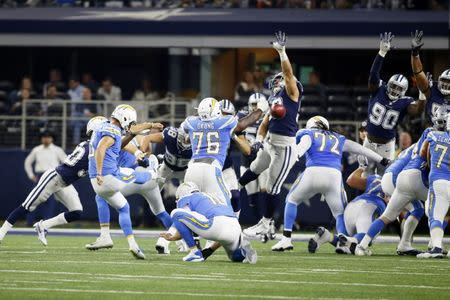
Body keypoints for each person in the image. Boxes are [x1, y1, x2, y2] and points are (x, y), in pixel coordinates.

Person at [271, 116, 388, 251]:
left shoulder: (307, 133)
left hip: (313, 171)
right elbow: (360, 149)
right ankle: (344, 243)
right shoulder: (338, 137)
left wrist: (295, 155)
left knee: (291, 200)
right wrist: (382, 159)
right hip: (334, 175)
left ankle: (286, 240)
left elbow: (302, 147)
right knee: (339, 213)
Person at [355, 108, 448, 256]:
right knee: (441, 207)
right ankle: (435, 243)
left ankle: (363, 245)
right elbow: (428, 159)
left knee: (391, 214)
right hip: (403, 176)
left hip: (400, 176)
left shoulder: (427, 136)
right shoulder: (434, 136)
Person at [0, 117, 105, 245]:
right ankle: (2, 232)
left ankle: (43, 226)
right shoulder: (92, 149)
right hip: (54, 177)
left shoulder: (91, 146)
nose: (107, 135)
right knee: (27, 206)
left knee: (76, 212)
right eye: (105, 131)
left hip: (65, 183)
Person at [239, 31, 303, 241]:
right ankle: (230, 190)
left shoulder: (292, 94)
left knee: (272, 188)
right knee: (254, 169)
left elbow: (287, 74)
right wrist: (258, 141)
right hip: (270, 143)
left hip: (285, 148)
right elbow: (264, 125)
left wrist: (282, 52)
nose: (276, 83)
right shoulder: (275, 100)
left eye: (279, 80)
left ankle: (266, 224)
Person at [88, 104, 162, 259]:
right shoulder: (112, 130)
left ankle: (133, 245)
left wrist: (133, 135)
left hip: (96, 183)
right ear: (124, 118)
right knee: (140, 175)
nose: (130, 126)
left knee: (123, 207)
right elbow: (102, 148)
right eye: (129, 122)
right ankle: (154, 170)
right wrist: (152, 125)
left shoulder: (104, 127)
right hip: (108, 176)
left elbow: (118, 144)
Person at [181, 97, 266, 206]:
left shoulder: (192, 121)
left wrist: (234, 136)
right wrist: (260, 110)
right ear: (217, 112)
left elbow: (247, 151)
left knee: (234, 197)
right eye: (223, 113)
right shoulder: (226, 123)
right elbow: (243, 123)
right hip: (212, 167)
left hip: (221, 167)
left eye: (228, 114)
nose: (225, 117)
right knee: (217, 202)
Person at [364, 32, 425, 175]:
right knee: (363, 176)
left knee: (385, 179)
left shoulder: (405, 102)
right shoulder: (379, 89)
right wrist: (381, 53)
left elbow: (417, 110)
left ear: (404, 91)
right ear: (388, 84)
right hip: (369, 142)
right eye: (394, 86)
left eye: (399, 88)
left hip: (387, 146)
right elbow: (373, 76)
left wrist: (422, 93)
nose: (395, 90)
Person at [160, 182, 257, 263]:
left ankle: (194, 252)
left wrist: (175, 236)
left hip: (216, 224)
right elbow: (223, 231)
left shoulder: (186, 198)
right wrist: (209, 250)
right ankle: (241, 253)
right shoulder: (210, 197)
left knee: (175, 213)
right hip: (235, 226)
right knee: (235, 257)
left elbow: (182, 220)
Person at [311, 167, 388, 255]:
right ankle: (350, 241)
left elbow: (351, 180)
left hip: (352, 206)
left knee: (345, 231)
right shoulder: (396, 182)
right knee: (368, 237)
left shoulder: (375, 179)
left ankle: (329, 237)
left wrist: (361, 168)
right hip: (370, 207)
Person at [417, 116, 450, 258]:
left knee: (435, 216)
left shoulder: (432, 134)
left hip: (438, 181)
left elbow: (423, 154)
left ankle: (436, 247)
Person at [23, 131, 67, 225]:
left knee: (50, 201)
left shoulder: (57, 150)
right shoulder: (37, 150)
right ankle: (29, 222)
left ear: (52, 139)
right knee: (33, 199)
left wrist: (61, 176)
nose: (46, 139)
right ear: (41, 138)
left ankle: (46, 223)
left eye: (48, 137)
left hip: (53, 176)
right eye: (44, 137)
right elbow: (27, 162)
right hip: (40, 176)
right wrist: (31, 175)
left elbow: (66, 162)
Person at [410, 30, 450, 119]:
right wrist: (415, 55)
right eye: (444, 80)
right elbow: (418, 73)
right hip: (433, 131)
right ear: (439, 79)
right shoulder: (433, 89)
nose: (445, 84)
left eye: (448, 82)